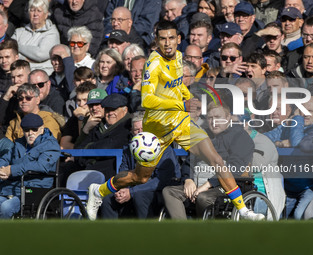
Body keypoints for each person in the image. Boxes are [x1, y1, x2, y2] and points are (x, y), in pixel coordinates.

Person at [87, 20, 265, 221]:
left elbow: (177, 85)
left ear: (178, 39)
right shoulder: (153, 64)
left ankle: (243, 210)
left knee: (216, 160)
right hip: (157, 128)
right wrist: (182, 104)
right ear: (156, 40)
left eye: (171, 38)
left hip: (181, 123)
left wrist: (186, 96)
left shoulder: (179, 56)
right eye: (162, 39)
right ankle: (98, 191)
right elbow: (147, 99)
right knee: (140, 177)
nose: (168, 43)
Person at [163, 102, 254, 219]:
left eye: (218, 117)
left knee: (203, 197)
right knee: (169, 191)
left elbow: (235, 168)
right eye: (210, 118)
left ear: (228, 118)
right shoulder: (202, 135)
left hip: (224, 186)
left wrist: (208, 185)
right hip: (197, 183)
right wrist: (188, 179)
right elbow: (189, 162)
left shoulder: (240, 136)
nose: (213, 121)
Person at [100, 112, 181, 219]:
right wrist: (123, 190)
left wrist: (132, 192)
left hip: (161, 191)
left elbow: (161, 181)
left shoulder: (164, 149)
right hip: (134, 190)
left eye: (143, 128)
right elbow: (123, 173)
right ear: (132, 132)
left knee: (140, 196)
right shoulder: (128, 150)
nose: (140, 132)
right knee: (109, 198)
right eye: (136, 130)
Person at [0, 113, 60, 218]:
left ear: (42, 129)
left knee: (6, 207)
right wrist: (1, 169)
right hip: (13, 186)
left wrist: (12, 170)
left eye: (34, 130)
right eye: (27, 130)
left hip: (35, 188)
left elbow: (41, 166)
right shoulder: (19, 143)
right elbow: (5, 158)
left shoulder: (51, 145)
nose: (30, 133)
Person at [11, 0, 60, 75]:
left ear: (46, 14)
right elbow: (10, 51)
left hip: (42, 75)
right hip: (19, 74)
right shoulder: (19, 32)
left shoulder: (52, 33)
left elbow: (40, 54)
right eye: (32, 10)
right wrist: (30, 59)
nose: (35, 14)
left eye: (39, 11)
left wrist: (17, 47)